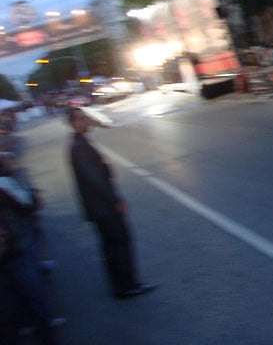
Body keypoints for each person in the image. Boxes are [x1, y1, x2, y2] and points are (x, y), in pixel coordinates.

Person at [65, 107, 156, 300]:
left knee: (111, 246)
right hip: (103, 208)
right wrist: (115, 201)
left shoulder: (79, 142)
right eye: (82, 119)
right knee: (120, 243)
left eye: (86, 118)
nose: (87, 121)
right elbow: (94, 179)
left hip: (99, 207)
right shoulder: (79, 146)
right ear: (74, 123)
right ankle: (128, 285)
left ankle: (121, 285)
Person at [0, 151, 65, 343]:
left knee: (10, 303)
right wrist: (34, 196)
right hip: (15, 249)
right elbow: (26, 205)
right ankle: (45, 334)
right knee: (34, 295)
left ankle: (24, 327)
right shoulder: (4, 184)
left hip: (9, 250)